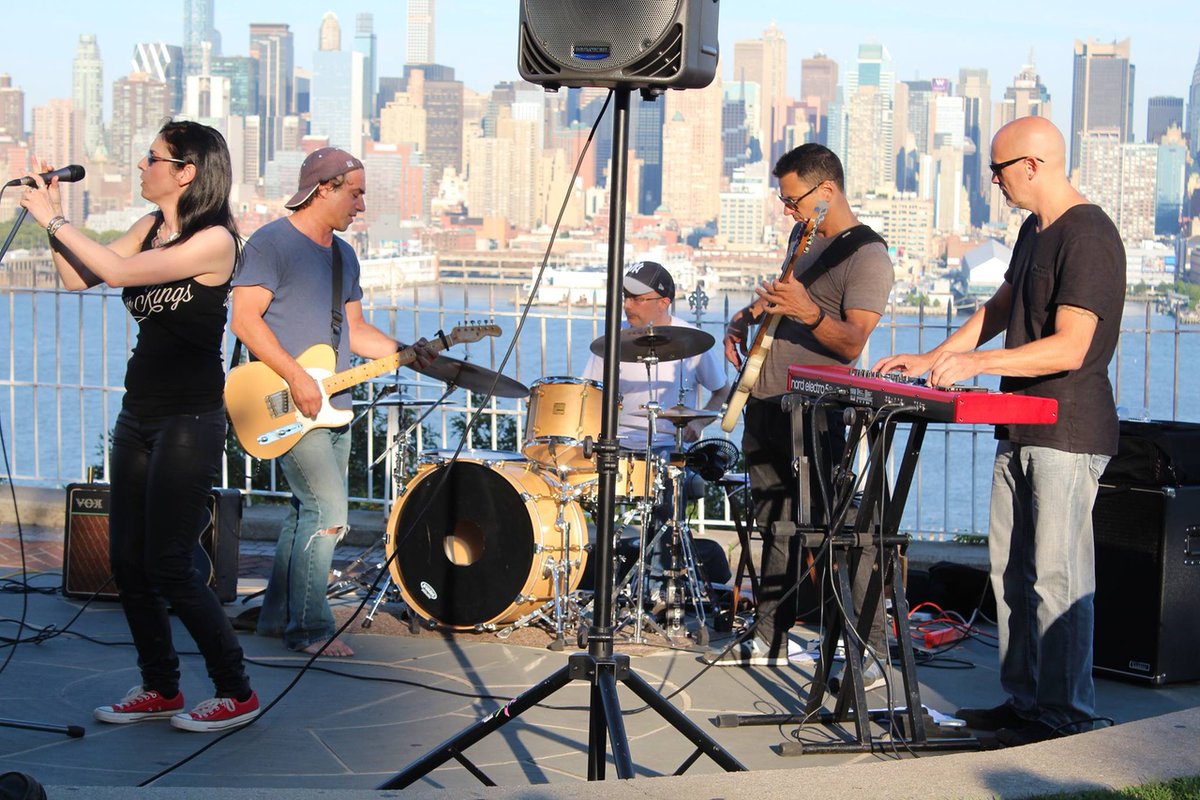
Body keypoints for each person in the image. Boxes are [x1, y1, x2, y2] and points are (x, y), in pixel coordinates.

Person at [874, 116, 1125, 746]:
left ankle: (1066, 718)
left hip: (1068, 433)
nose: (993, 180)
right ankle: (1025, 706)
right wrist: (934, 361)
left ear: (1033, 165)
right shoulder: (1035, 232)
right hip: (1020, 426)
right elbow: (997, 310)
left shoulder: (1088, 234)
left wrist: (979, 365)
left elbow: (1070, 347)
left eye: (999, 168)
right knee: (1010, 576)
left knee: (1057, 579)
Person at [20, 120, 259, 731]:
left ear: (187, 171)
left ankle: (235, 691)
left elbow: (123, 276)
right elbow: (81, 277)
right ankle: (162, 686)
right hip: (140, 414)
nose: (139, 166)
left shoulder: (215, 242)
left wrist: (53, 218)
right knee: (126, 560)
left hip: (190, 416)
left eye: (151, 157)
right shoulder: (150, 227)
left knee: (170, 561)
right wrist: (56, 225)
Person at [231, 147, 434, 658]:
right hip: (287, 399)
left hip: (332, 402)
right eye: (356, 192)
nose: (361, 205)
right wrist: (297, 377)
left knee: (306, 510)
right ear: (324, 187)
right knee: (330, 511)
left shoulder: (343, 255)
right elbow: (245, 321)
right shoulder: (270, 243)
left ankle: (278, 619)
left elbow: (357, 330)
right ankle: (311, 629)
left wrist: (404, 354)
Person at [713, 143, 894, 679]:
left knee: (835, 527)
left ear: (826, 191)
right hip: (769, 400)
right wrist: (745, 315)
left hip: (816, 411)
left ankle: (873, 650)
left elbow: (852, 342)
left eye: (793, 200)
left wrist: (809, 311)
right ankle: (771, 634)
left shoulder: (868, 256)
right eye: (784, 200)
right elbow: (783, 298)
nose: (786, 210)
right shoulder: (804, 236)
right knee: (775, 522)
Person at [581, 261, 728, 606]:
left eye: (635, 298)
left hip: (666, 448)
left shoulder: (691, 343)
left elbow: (721, 390)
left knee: (668, 491)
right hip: (615, 446)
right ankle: (590, 582)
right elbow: (590, 394)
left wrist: (699, 423)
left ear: (663, 301)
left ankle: (663, 590)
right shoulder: (613, 342)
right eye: (624, 297)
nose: (627, 305)